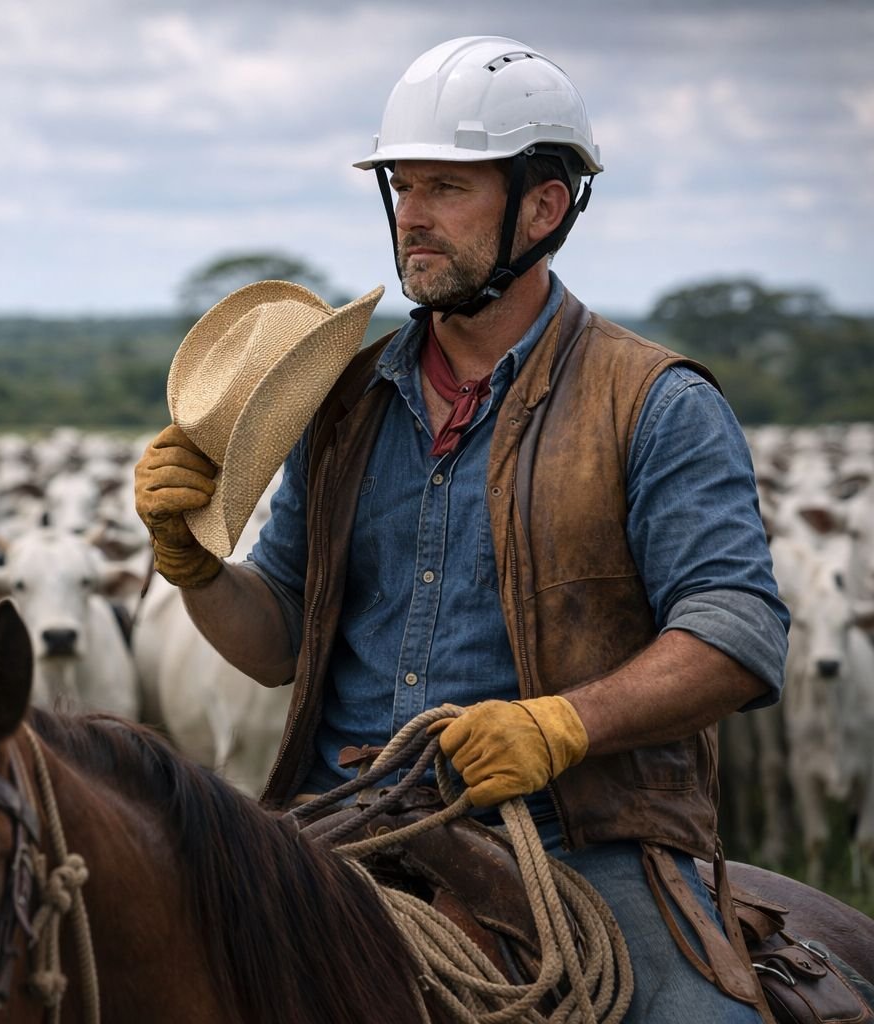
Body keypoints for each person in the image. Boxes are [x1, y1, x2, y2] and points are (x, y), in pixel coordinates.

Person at [134, 36, 787, 1021]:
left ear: (544, 205)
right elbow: (277, 646)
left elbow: (738, 635)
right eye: (402, 186)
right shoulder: (344, 403)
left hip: (575, 841)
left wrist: (563, 724)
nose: (413, 217)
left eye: (448, 187)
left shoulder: (652, 402)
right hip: (334, 828)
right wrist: (191, 564)